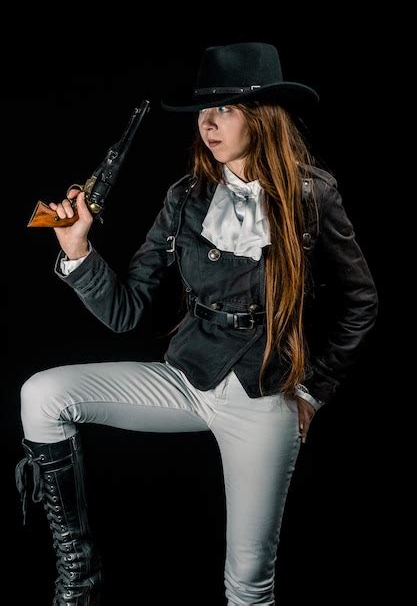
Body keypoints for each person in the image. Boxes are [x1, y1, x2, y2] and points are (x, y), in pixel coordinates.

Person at [15, 42, 378, 606]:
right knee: (42, 394)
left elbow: (361, 301)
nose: (209, 123)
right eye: (204, 112)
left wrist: (316, 389)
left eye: (227, 109)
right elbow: (126, 309)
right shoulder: (185, 197)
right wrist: (78, 248)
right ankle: (77, 578)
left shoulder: (312, 195)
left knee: (248, 583)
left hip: (264, 396)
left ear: (262, 116)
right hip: (187, 377)